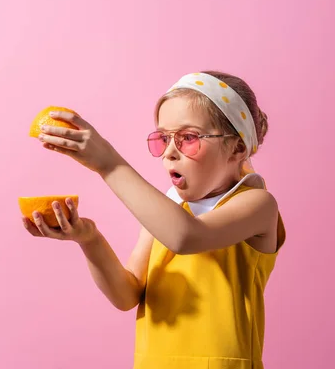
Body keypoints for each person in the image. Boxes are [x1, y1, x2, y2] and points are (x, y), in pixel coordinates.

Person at [21, 71, 286, 369]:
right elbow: (126, 294)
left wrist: (108, 164)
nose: (169, 152)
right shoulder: (169, 208)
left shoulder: (257, 204)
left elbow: (187, 238)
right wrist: (89, 239)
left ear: (237, 148)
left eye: (188, 138)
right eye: (164, 138)